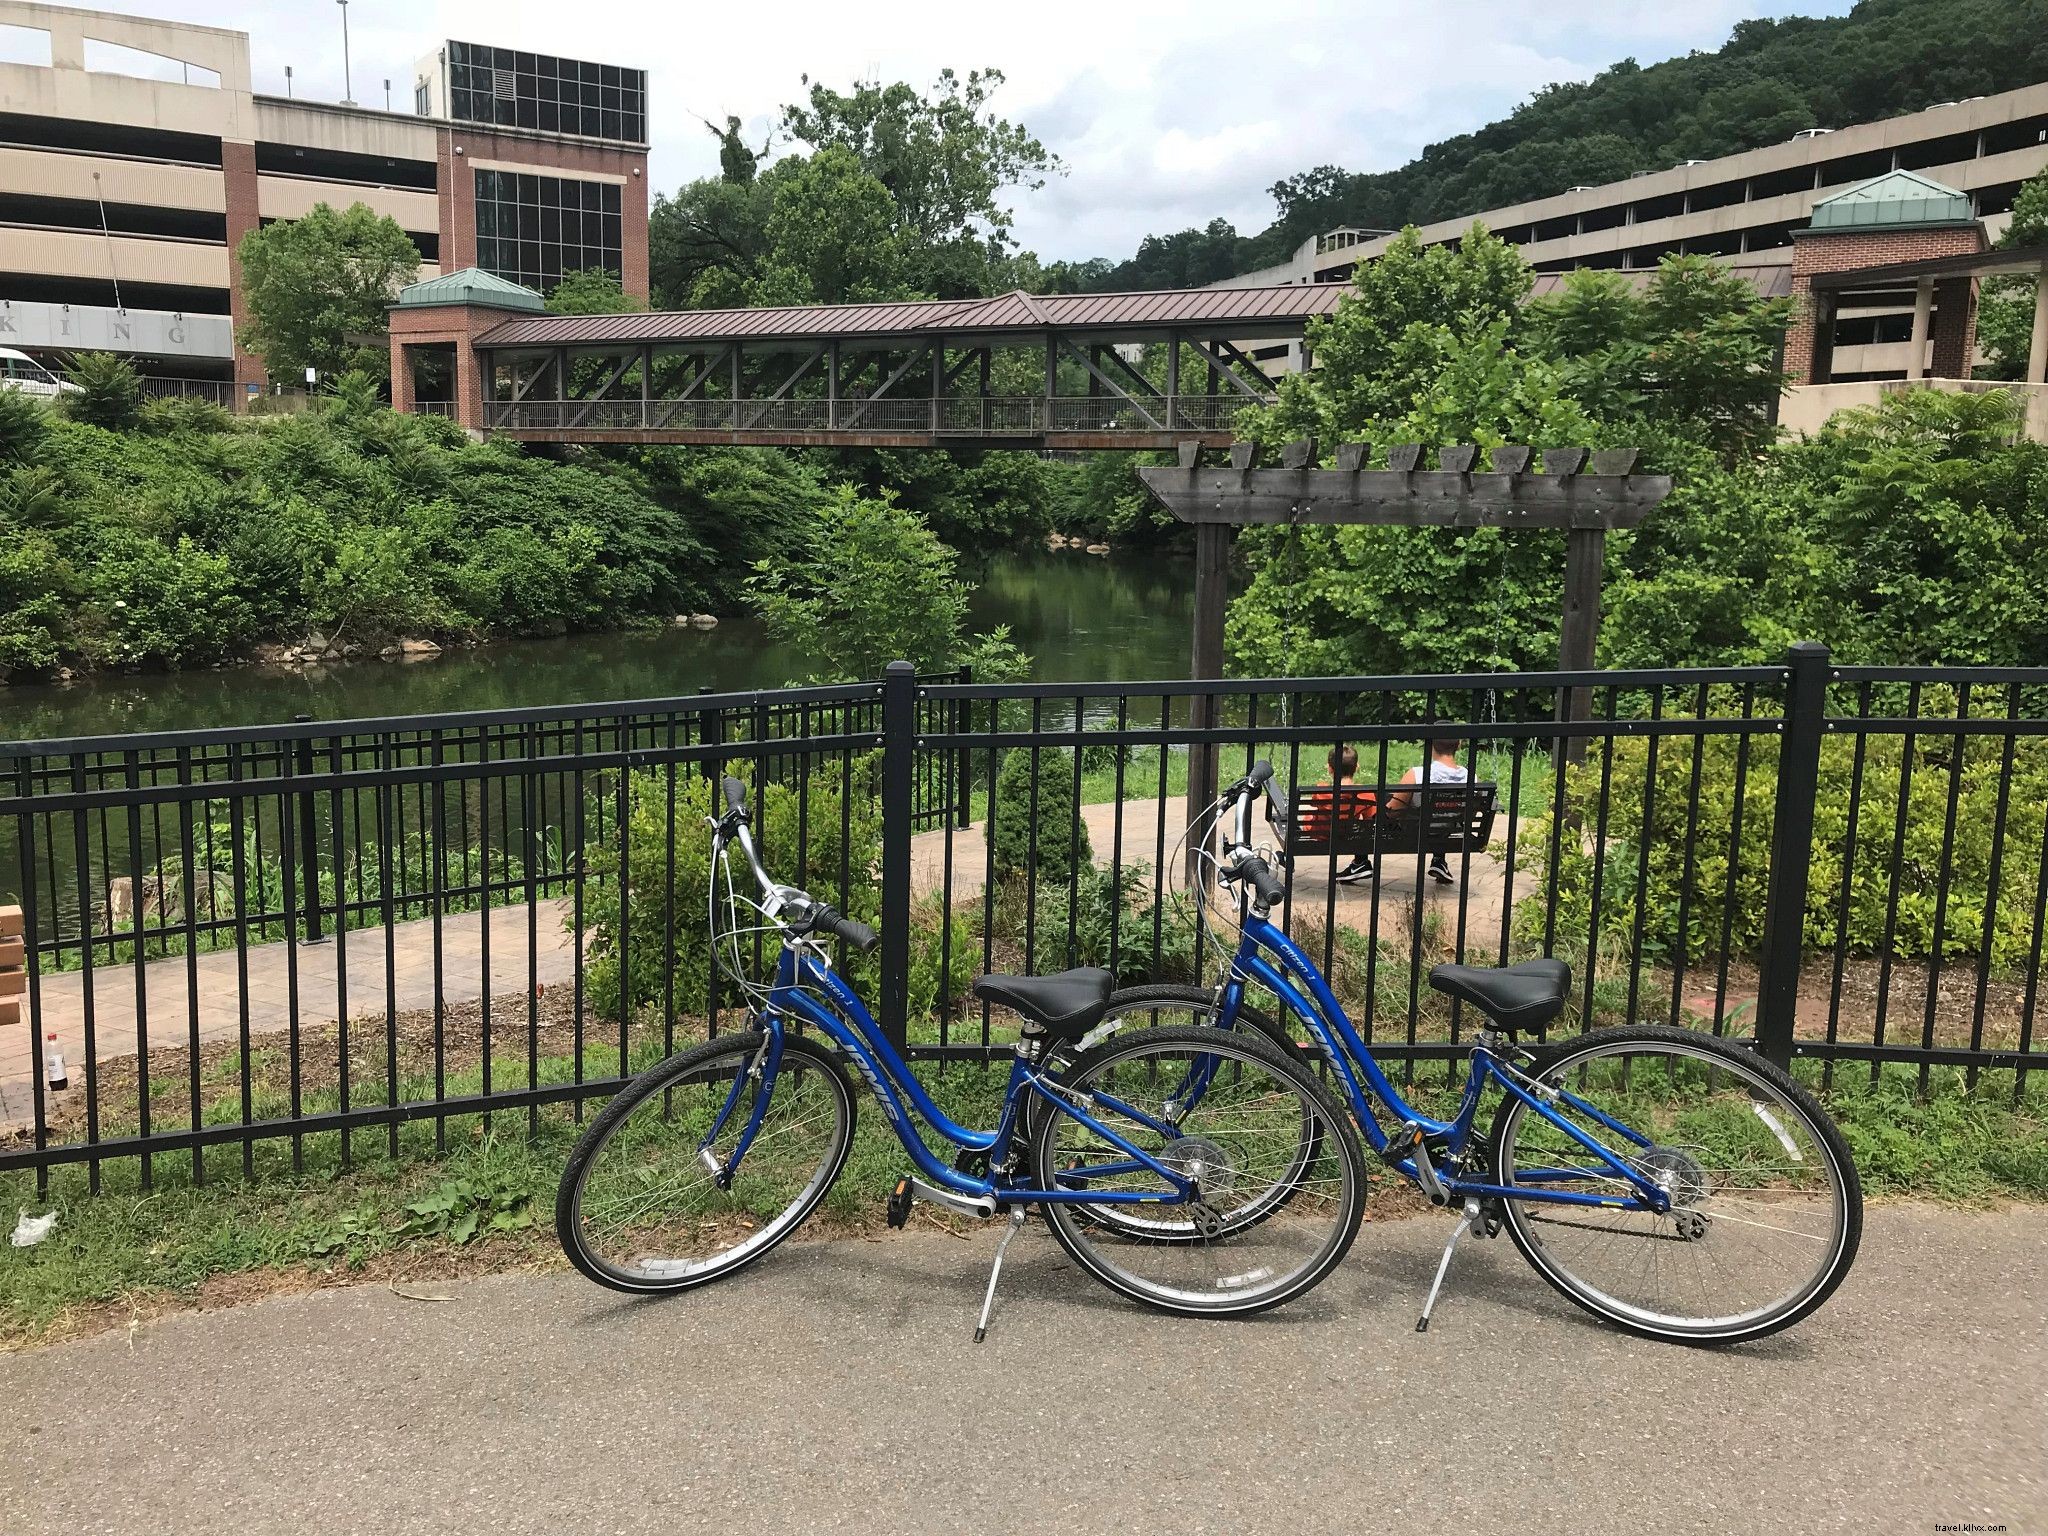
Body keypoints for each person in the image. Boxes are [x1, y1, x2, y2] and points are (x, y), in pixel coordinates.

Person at [1389, 738, 1469, 885]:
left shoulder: (1416, 774)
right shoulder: (1471, 778)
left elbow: (1394, 811)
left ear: (1430, 744)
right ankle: (1439, 861)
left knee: (1389, 805)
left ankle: (1360, 862)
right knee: (1441, 818)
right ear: (1458, 745)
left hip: (1416, 832)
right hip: (1448, 831)